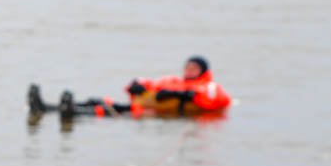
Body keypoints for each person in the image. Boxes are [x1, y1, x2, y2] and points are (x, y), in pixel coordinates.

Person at [27, 55, 231, 119]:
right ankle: (45, 107)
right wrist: (136, 86)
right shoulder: (173, 80)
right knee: (99, 101)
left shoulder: (209, 86)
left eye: (194, 68)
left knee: (109, 110)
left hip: (152, 114)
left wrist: (187, 95)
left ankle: (71, 111)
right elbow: (147, 83)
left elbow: (218, 101)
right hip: (143, 107)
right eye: (187, 66)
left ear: (202, 70)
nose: (189, 70)